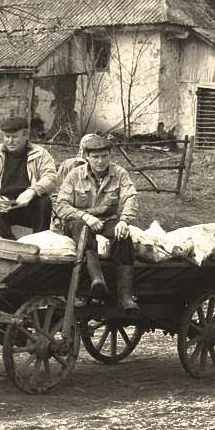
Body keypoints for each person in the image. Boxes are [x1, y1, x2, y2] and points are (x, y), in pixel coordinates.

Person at [56, 134, 140, 313]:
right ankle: (97, 279)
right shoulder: (74, 175)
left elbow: (130, 197)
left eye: (104, 156)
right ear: (87, 157)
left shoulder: (119, 174)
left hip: (107, 220)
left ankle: (125, 296)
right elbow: (61, 205)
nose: (100, 161)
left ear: (110, 155)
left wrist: (124, 220)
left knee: (124, 237)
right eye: (95, 157)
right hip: (78, 221)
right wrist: (85, 217)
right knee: (81, 229)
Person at [0, 116, 57, 240]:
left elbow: (51, 178)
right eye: (6, 136)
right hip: (3, 207)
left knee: (44, 201)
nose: (9, 141)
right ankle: (10, 241)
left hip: (29, 206)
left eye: (14, 137)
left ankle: (40, 241)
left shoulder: (40, 153)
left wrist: (32, 192)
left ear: (25, 135)